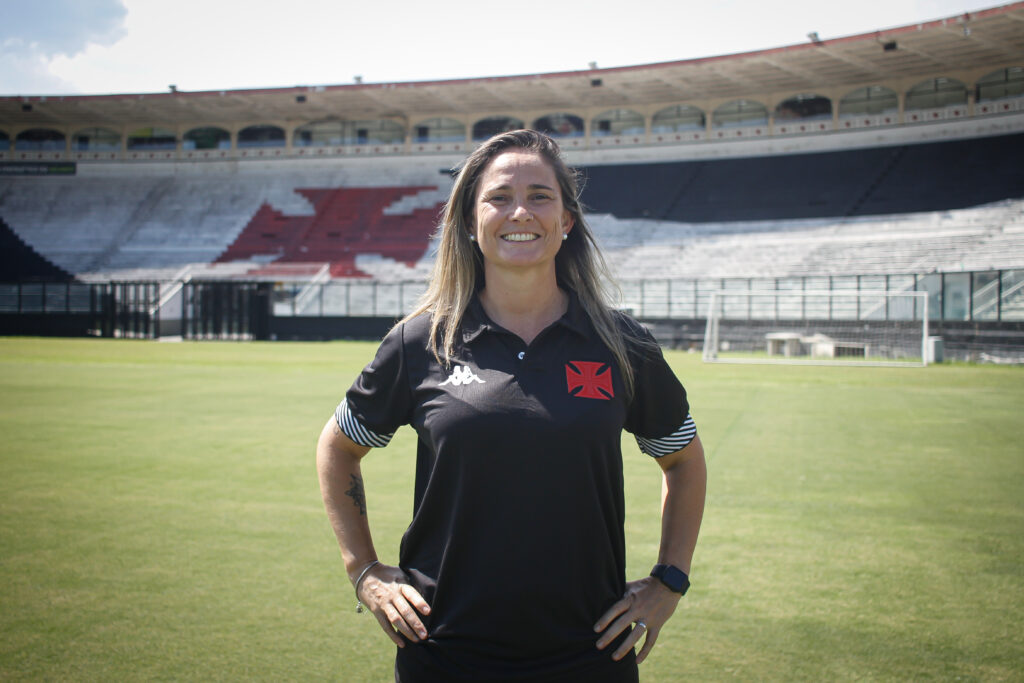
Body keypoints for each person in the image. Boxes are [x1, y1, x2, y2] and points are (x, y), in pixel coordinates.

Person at [317, 129, 706, 682]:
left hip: (591, 654)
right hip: (443, 652)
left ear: (566, 221)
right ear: (471, 223)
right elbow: (337, 448)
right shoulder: (420, 342)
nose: (520, 211)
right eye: (499, 197)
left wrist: (669, 580)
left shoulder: (623, 344)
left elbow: (684, 460)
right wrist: (365, 572)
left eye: (540, 196)